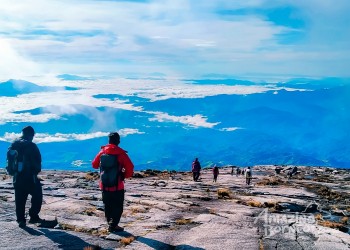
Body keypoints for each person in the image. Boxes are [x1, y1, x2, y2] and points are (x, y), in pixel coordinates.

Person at [92, 132, 134, 232]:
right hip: (117, 186)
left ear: (109, 141)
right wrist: (124, 176)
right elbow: (130, 167)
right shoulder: (121, 153)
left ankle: (110, 223)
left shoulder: (102, 152)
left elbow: (94, 165)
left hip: (104, 185)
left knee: (107, 205)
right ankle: (113, 225)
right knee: (118, 206)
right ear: (118, 141)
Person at [8, 126, 43, 228]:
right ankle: (33, 216)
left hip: (17, 177)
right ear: (31, 135)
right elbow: (37, 163)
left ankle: (20, 220)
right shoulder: (32, 146)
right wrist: (35, 172)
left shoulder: (14, 145)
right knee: (37, 195)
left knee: (20, 199)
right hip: (29, 177)